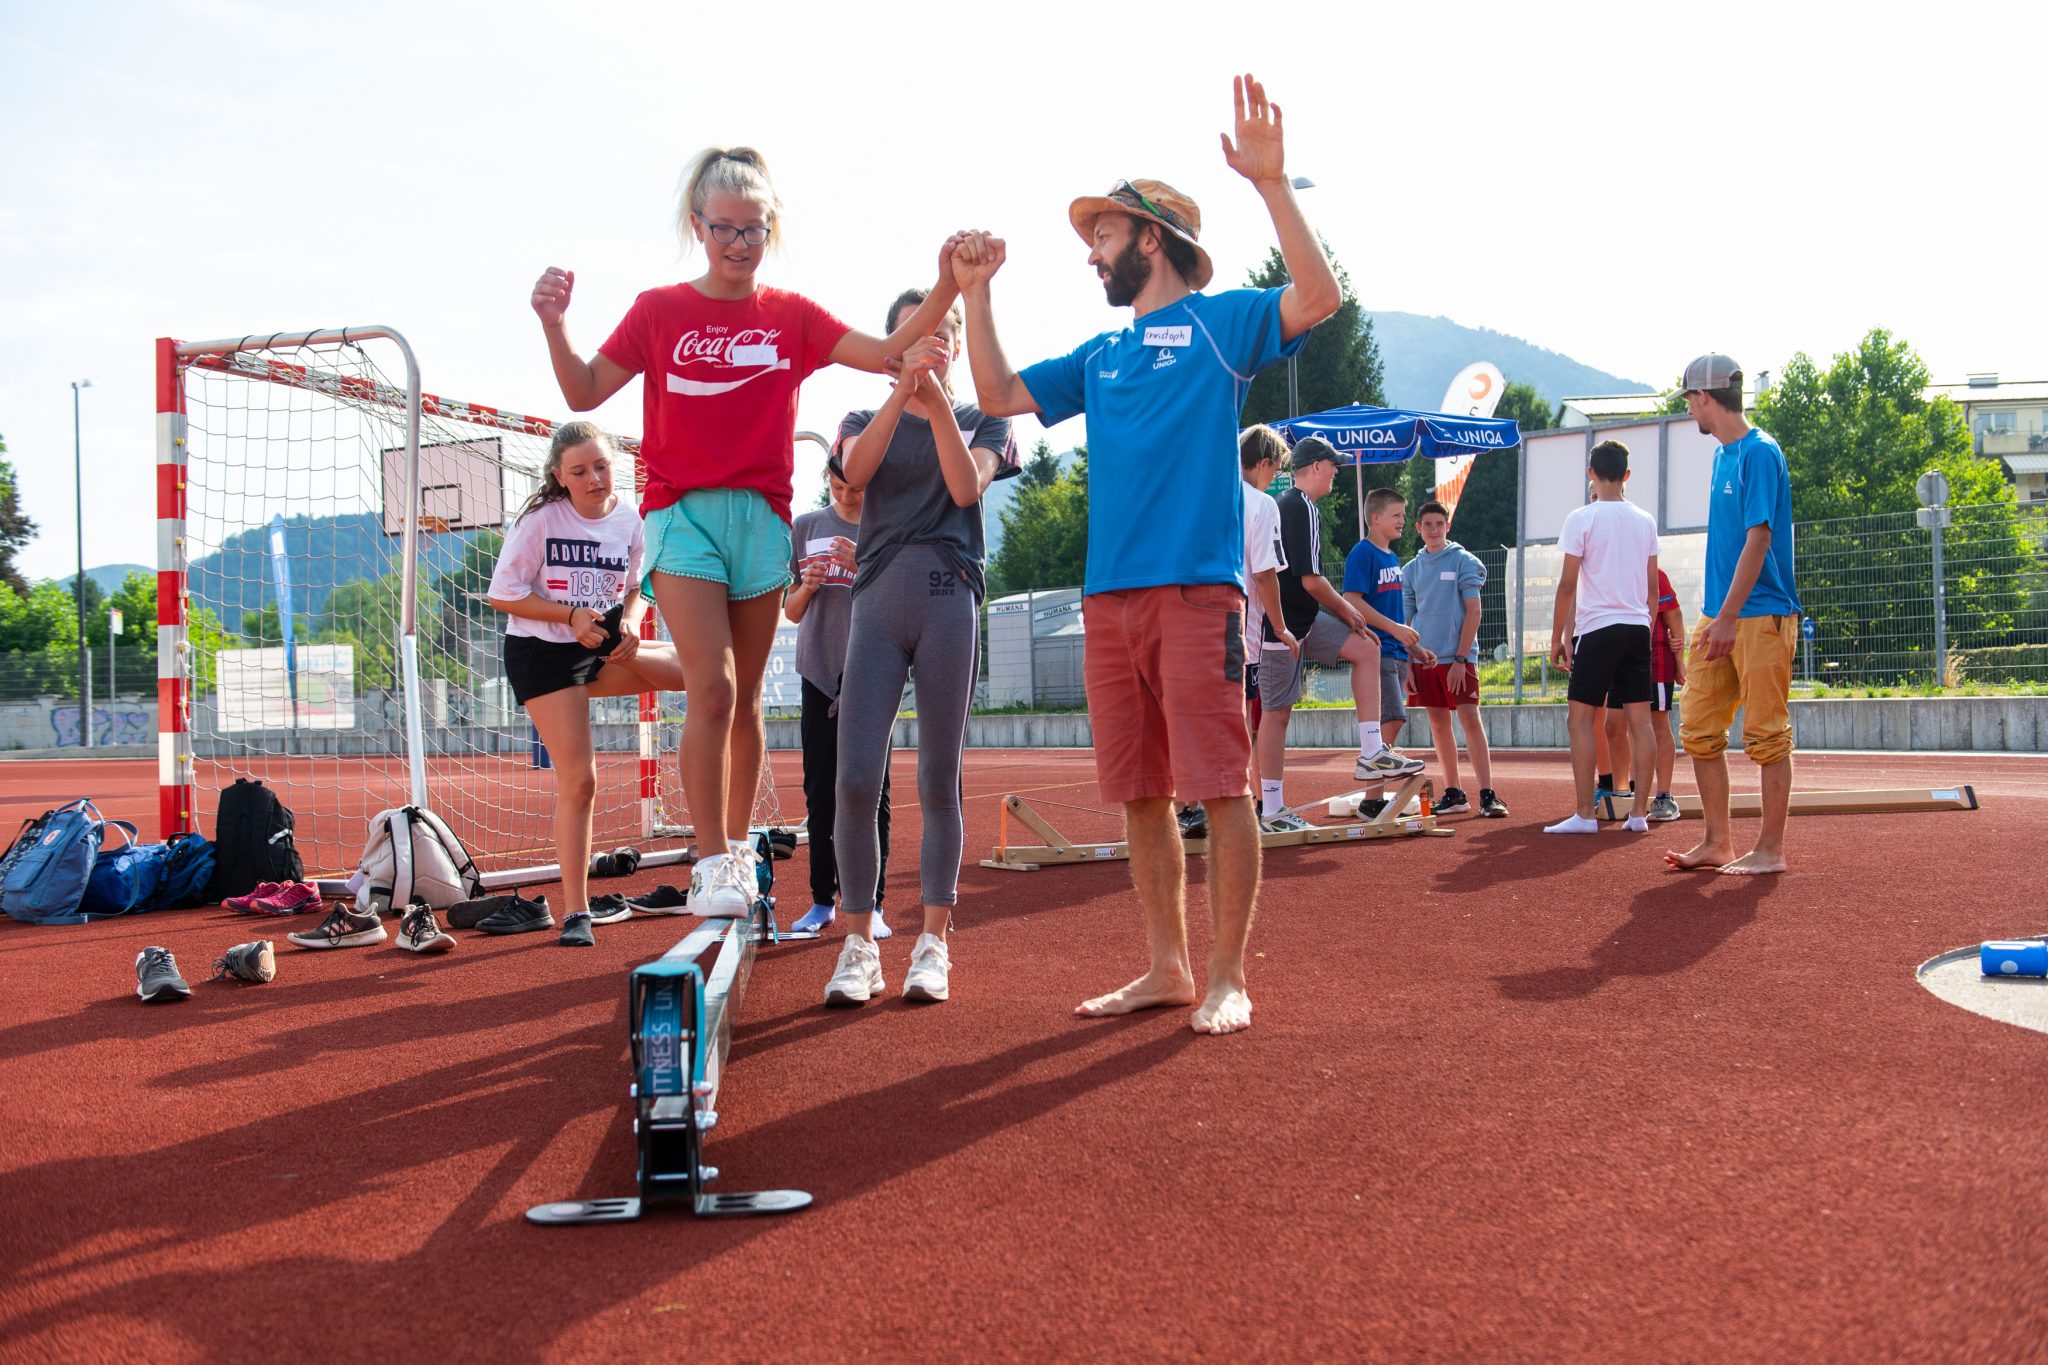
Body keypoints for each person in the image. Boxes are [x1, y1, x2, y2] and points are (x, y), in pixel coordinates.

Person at [949, 73, 1342, 1034]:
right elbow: (995, 391)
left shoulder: (1220, 325)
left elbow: (1319, 295)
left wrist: (1271, 185)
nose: (1092, 253)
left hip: (1197, 597)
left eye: (1106, 237)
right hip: (1109, 601)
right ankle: (1166, 968)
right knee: (1139, 792)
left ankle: (1227, 977)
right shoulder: (1101, 354)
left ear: (1151, 239)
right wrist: (977, 293)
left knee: (1222, 785)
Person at [529, 147, 964, 915]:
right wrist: (555, 324)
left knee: (747, 703)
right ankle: (709, 864)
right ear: (697, 226)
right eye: (724, 228)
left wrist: (948, 283)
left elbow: (888, 353)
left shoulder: (791, 316)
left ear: (771, 230)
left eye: (753, 230)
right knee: (713, 684)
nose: (738, 243)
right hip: (682, 513)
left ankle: (735, 845)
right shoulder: (660, 310)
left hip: (760, 520)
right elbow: (583, 386)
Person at [823, 289, 1016, 1008]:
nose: (929, 342)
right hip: (874, 600)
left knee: (939, 774)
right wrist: (902, 391)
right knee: (854, 777)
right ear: (893, 343)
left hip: (948, 596)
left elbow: (966, 488)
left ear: (957, 346)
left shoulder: (982, 418)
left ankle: (933, 939)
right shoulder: (855, 418)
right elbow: (853, 476)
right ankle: (858, 943)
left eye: (941, 334)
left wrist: (934, 402)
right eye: (915, 333)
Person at [484, 421, 688, 946]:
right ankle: (575, 912)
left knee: (703, 675)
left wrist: (629, 622)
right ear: (560, 476)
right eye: (580, 471)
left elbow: (639, 585)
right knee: (581, 779)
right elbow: (502, 595)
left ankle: (720, 858)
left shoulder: (630, 519)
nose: (594, 478)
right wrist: (570, 614)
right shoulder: (540, 521)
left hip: (598, 642)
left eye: (601, 466)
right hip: (543, 652)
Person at [1666, 353, 1801, 875]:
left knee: (1766, 735)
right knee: (1698, 727)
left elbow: (1759, 537)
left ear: (1704, 398)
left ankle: (1770, 850)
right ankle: (1718, 843)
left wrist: (1727, 617)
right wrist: (1717, 616)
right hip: (1718, 613)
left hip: (1759, 615)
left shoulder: (1759, 453)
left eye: (1690, 402)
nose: (1690, 413)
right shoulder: (1723, 455)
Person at [1257, 442, 1419, 835]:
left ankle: (1371, 751)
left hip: (1305, 619)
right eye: (1334, 466)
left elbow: (1305, 583)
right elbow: (1311, 580)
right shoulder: (1299, 506)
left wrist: (1348, 618)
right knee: (1276, 716)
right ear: (1315, 467)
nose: (1337, 472)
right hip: (1279, 627)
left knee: (1367, 645)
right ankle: (1271, 810)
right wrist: (1349, 611)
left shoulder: (1291, 504)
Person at [784, 451, 891, 938]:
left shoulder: (892, 526)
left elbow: (898, 598)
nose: (847, 498)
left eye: (858, 490)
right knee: (820, 791)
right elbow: (790, 610)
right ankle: (821, 901)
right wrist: (806, 587)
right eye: (838, 488)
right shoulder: (806, 526)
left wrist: (864, 562)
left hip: (875, 670)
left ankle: (872, 905)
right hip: (817, 671)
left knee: (873, 792)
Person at [1177, 423, 1298, 844]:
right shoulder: (1262, 504)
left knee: (1194, 715)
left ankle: (1188, 807)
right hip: (1235, 626)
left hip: (1188, 621)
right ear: (1264, 463)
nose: (1275, 476)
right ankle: (1224, 805)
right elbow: (1265, 574)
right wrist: (1280, 627)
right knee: (1235, 719)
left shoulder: (1204, 496)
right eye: (1275, 468)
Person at [1545, 440, 1659, 835]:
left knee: (1579, 719)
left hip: (1597, 628)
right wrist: (1645, 627)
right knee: (1640, 722)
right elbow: (1651, 590)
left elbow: (1567, 585)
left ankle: (1584, 815)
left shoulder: (1581, 518)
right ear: (1627, 475)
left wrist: (1559, 637)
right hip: (1637, 628)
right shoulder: (1645, 520)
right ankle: (1639, 814)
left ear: (1591, 474)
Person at [1402, 499, 1507, 817]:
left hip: (1457, 658)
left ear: (1448, 527)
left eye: (1440, 524)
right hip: (1424, 660)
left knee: (1470, 719)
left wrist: (1461, 660)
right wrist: (1408, 664)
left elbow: (1474, 612)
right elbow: (1406, 621)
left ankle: (1488, 795)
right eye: (1428, 525)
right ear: (1418, 529)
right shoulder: (1410, 570)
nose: (1434, 530)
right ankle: (1454, 792)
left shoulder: (1464, 562)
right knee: (1437, 723)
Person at [1341, 487, 1437, 819]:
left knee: (1393, 717)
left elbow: (1394, 614)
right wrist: (1394, 631)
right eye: (1396, 515)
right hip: (1377, 650)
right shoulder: (1363, 553)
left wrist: (1414, 647)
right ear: (1375, 518)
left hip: (1396, 651)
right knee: (1393, 716)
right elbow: (1351, 600)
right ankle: (1372, 793)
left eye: (1403, 514)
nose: (1402, 521)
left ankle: (1373, 793)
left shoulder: (1393, 558)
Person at [1599, 567, 1686, 821]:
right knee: (1613, 726)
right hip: (1618, 660)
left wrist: (1680, 661)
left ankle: (1664, 796)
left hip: (1654, 662)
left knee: (1657, 724)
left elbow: (1675, 617)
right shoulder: (1609, 572)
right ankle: (1623, 791)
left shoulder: (1654, 573)